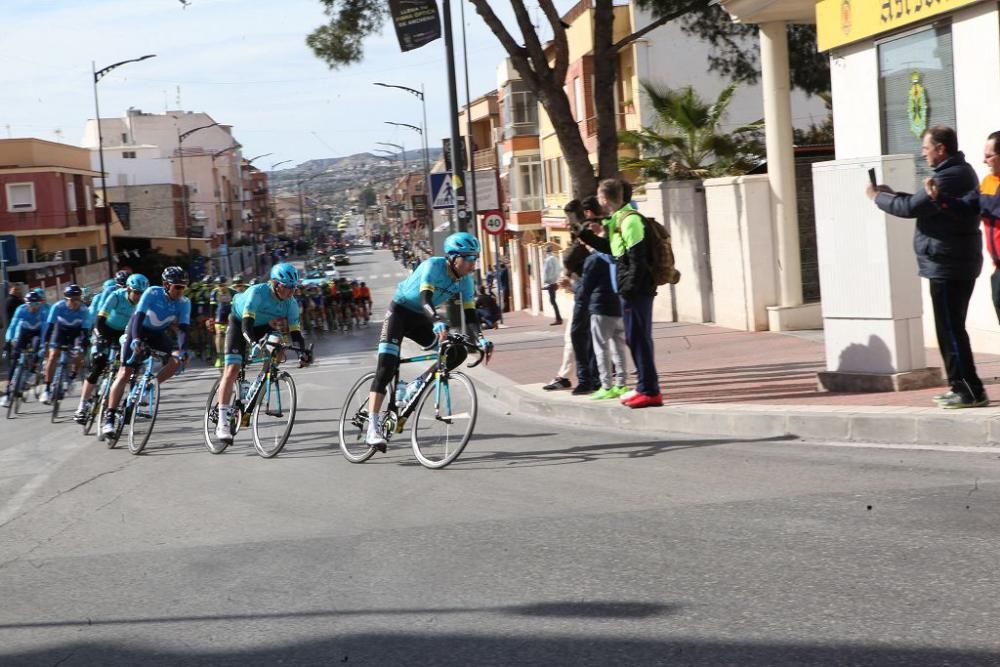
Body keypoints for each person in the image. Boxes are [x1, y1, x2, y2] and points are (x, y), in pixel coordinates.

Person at [868, 125, 987, 409]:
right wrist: (893, 194)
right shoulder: (959, 172)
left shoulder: (949, 178)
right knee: (949, 328)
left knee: (951, 328)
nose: (924, 154)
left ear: (941, 148)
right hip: (951, 261)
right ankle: (959, 385)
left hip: (948, 264)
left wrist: (878, 197)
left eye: (926, 148)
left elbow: (909, 208)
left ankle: (969, 389)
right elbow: (918, 203)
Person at [365, 231, 493, 451]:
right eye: (470, 258)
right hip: (401, 313)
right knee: (385, 368)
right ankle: (372, 427)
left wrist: (481, 339)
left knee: (456, 352)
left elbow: (470, 316)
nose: (474, 264)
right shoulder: (433, 266)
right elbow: (425, 298)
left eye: (476, 258)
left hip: (422, 320)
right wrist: (436, 321)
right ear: (454, 257)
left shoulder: (466, 282)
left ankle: (417, 383)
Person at [577, 177, 662, 408]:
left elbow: (637, 258)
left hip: (637, 291)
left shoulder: (630, 221)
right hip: (630, 290)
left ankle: (651, 391)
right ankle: (645, 387)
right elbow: (614, 252)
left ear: (604, 198)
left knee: (640, 339)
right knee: (635, 339)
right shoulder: (618, 220)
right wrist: (585, 236)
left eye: (599, 195)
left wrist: (629, 289)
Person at [213, 263, 312, 444]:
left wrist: (302, 353)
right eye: (287, 288)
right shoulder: (257, 293)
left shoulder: (291, 303)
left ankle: (260, 385)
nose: (291, 292)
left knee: (279, 352)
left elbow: (295, 333)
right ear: (275, 284)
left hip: (264, 326)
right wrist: (252, 343)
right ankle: (222, 423)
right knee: (233, 368)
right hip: (240, 322)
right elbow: (246, 324)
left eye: (293, 288)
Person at [101, 267, 191, 437]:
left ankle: (151, 386)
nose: (180, 291)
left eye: (183, 287)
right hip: (137, 330)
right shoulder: (152, 293)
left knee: (178, 359)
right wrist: (135, 339)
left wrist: (182, 351)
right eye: (177, 287)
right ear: (166, 285)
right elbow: (138, 317)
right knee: (125, 372)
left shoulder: (184, 302)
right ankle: (110, 416)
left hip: (157, 334)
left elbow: (183, 329)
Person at [73, 273, 149, 424]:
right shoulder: (116, 296)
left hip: (123, 334)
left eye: (142, 293)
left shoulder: (143, 304)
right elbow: (100, 318)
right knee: (98, 364)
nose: (139, 296)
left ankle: (122, 404)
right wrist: (100, 335)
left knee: (128, 367)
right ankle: (81, 406)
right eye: (136, 292)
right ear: (128, 289)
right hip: (105, 329)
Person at [577, 221, 628, 400]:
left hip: (600, 308)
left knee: (601, 348)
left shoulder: (594, 259)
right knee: (619, 347)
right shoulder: (619, 254)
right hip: (619, 306)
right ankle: (621, 383)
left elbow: (586, 287)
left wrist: (577, 295)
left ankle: (606, 385)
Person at [40, 284, 90, 404]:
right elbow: (50, 326)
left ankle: (72, 377)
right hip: (60, 331)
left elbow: (84, 332)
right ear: (66, 299)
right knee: (52, 356)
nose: (75, 302)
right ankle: (46, 389)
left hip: (76, 333)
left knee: (78, 355)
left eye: (78, 299)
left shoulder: (84, 310)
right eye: (73, 299)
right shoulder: (57, 307)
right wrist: (45, 343)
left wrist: (81, 346)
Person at [1, 291, 46, 408]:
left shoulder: (42, 312)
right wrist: (9, 340)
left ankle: (32, 371)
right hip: (24, 332)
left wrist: (43, 344)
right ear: (26, 304)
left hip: (37, 333)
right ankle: (7, 393)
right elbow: (13, 325)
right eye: (31, 305)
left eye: (36, 305)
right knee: (15, 359)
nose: (34, 308)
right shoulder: (21, 309)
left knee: (37, 346)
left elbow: (45, 329)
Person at [209, 276, 234, 368]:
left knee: (229, 336)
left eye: (223, 285)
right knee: (219, 335)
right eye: (219, 285)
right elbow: (212, 307)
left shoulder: (232, 291)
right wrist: (211, 318)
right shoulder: (214, 292)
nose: (222, 287)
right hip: (219, 317)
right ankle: (220, 357)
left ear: (226, 284)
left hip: (230, 316)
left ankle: (229, 356)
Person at [542, 245, 563, 325]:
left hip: (551, 283)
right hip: (555, 282)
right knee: (553, 301)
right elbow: (560, 269)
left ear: (546, 251)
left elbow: (547, 272)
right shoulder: (555, 258)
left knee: (552, 301)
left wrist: (547, 282)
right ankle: (558, 318)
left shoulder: (548, 260)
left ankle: (558, 319)